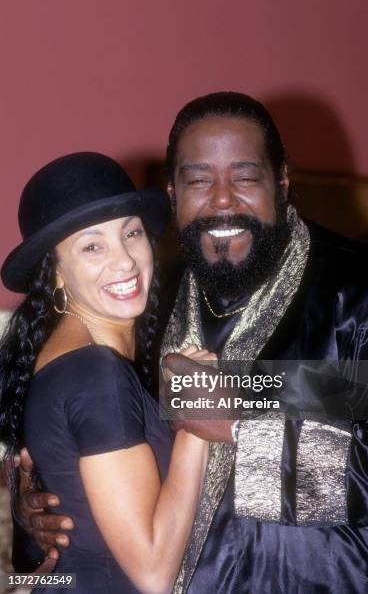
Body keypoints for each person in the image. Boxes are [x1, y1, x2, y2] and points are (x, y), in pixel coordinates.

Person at [13, 94, 368, 593]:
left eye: (245, 177)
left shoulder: (362, 298)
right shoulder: (147, 310)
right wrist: (48, 509)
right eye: (199, 180)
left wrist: (247, 431)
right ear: (173, 193)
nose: (222, 199)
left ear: (281, 182)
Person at [0, 151, 216, 593]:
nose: (125, 261)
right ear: (55, 273)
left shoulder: (108, 351)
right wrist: (198, 421)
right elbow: (153, 573)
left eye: (131, 233)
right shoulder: (95, 369)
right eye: (93, 245)